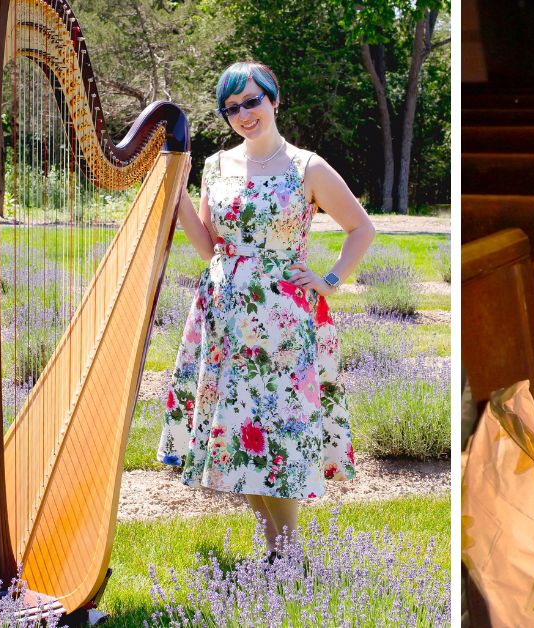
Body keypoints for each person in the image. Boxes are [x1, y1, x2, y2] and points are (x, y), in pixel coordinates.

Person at [157, 61, 375, 553]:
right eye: (232, 107)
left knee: (280, 426)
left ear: (274, 100)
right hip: (225, 311)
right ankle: (274, 545)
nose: (243, 114)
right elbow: (209, 244)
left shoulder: (307, 167)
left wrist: (330, 280)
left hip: (282, 318)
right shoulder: (215, 166)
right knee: (237, 430)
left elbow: (361, 228)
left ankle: (289, 547)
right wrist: (178, 192)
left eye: (252, 101)